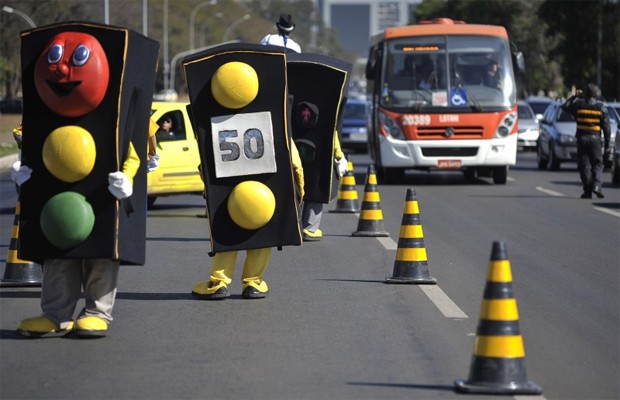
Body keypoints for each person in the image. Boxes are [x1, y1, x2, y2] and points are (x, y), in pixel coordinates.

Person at [191, 142, 305, 300]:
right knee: (263, 233)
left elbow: (206, 162)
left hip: (228, 191)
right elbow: (295, 164)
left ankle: (218, 283)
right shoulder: (277, 120)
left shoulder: (220, 123)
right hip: (266, 192)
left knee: (226, 231)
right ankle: (253, 282)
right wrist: (300, 194)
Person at [561, 84, 611, 199]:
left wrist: (573, 97)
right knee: (597, 164)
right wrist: (607, 144)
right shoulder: (601, 107)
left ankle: (587, 191)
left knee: (584, 165)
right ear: (596, 94)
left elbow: (564, 107)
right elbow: (607, 128)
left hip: (582, 139)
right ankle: (597, 186)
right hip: (595, 140)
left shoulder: (578, 105)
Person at [302, 136, 347, 241]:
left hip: (297, 146)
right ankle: (310, 228)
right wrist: (339, 156)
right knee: (317, 185)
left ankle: (294, 225)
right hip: (320, 151)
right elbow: (331, 132)